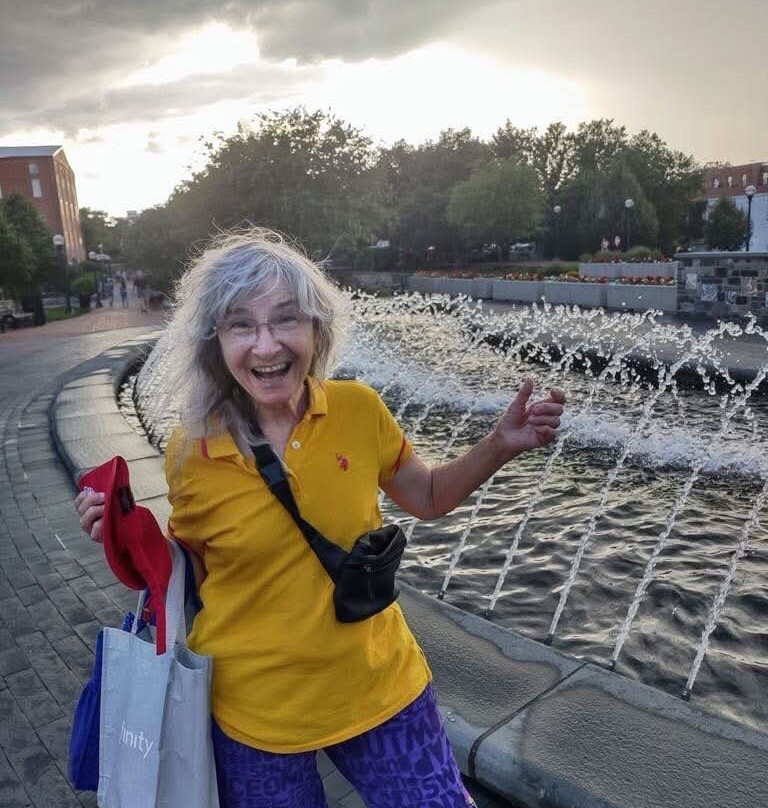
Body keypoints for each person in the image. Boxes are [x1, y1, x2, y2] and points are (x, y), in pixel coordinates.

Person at [75, 229, 565, 808]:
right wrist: (125, 536)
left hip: (380, 687)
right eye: (241, 325)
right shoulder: (192, 450)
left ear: (316, 330)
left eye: (286, 319)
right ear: (214, 343)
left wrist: (501, 443)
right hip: (256, 715)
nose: (266, 345)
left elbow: (429, 496)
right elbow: (196, 577)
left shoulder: (358, 409)